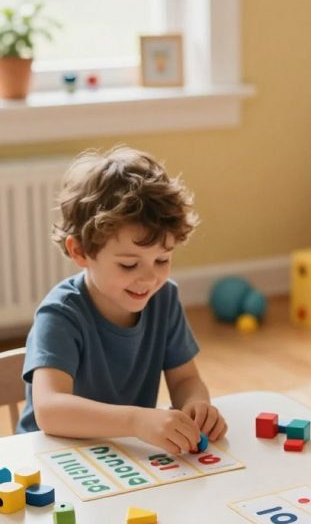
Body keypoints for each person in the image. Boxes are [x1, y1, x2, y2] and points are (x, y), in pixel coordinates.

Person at [18, 145, 227, 454]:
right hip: (54, 460)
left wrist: (197, 405)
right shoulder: (60, 314)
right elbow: (50, 410)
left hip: (124, 455)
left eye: (162, 259)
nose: (149, 278)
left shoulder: (164, 298)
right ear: (81, 252)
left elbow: (185, 379)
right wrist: (136, 421)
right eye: (129, 265)